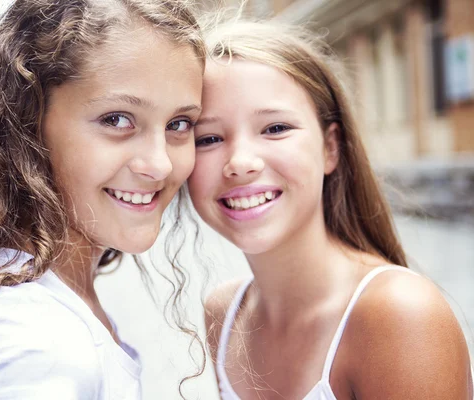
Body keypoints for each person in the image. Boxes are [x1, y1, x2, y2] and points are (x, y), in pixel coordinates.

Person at [0, 0, 205, 399]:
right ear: (26, 122)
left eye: (179, 124)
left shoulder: (19, 295)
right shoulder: (36, 344)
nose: (160, 164)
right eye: (117, 119)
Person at [188, 19, 473, 399]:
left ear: (330, 147)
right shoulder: (223, 315)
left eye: (275, 128)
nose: (240, 161)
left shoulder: (399, 315)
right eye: (208, 138)